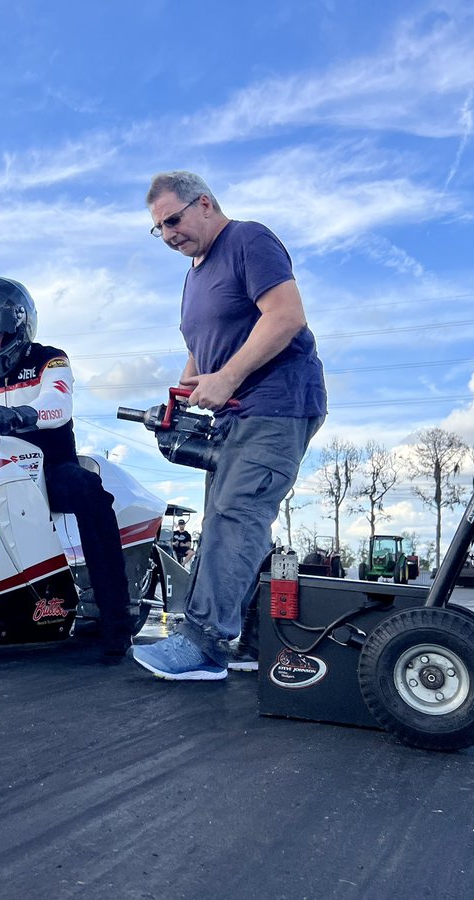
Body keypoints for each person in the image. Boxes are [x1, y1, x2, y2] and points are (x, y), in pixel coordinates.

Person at [131, 171, 327, 681]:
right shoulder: (194, 276)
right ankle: (251, 640)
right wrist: (180, 398)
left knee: (236, 515)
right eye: (159, 228)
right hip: (232, 415)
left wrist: (230, 375)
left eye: (173, 219)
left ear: (205, 204)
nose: (169, 233)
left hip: (276, 403)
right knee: (223, 518)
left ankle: (204, 644)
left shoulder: (247, 239)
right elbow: (200, 349)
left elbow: (285, 317)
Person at [0, 277, 134, 661]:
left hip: (48, 469)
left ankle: (116, 622)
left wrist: (21, 414)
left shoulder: (49, 358)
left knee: (90, 493)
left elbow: (59, 403)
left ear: (19, 327)